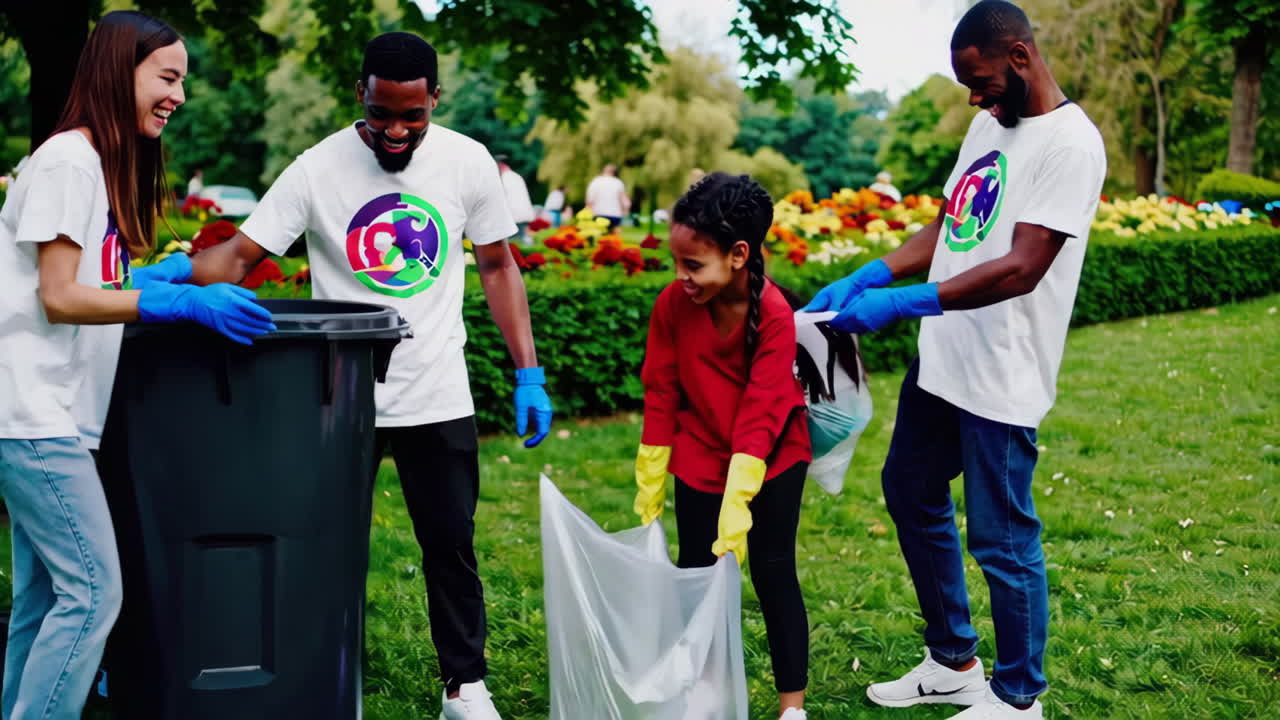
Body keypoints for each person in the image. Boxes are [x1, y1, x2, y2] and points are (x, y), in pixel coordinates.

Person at [190, 31, 553, 720]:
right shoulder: (317, 168)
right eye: (381, 112)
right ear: (361, 93)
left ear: (434, 101)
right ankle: (315, 677)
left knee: (450, 545)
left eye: (411, 116)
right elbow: (242, 253)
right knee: (317, 547)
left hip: (438, 390)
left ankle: (465, 687)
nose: (394, 130)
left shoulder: (467, 162)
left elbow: (500, 265)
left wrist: (527, 373)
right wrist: (169, 282)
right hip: (339, 399)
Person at [805, 2, 1105, 717]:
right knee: (909, 490)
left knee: (1002, 537)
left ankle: (1018, 695)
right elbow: (951, 222)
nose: (974, 98)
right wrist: (875, 271)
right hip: (943, 360)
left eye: (983, 81)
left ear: (1021, 57)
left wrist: (903, 304)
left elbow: (1022, 266)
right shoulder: (986, 125)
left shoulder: (1071, 144)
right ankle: (953, 661)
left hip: (1002, 373)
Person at [0, 11, 273, 720]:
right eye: (168, 76)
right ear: (119, 70)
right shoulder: (68, 160)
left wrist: (167, 277)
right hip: (32, 412)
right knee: (93, 592)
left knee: (45, 599)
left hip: (50, 412)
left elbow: (88, 279)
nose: (179, 95)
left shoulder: (91, 164)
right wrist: (176, 308)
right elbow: (59, 297)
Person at [633, 172, 812, 720]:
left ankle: (792, 708)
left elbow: (760, 414)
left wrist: (739, 500)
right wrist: (652, 477)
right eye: (677, 263)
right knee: (696, 573)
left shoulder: (775, 315)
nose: (681, 277)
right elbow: (661, 391)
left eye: (693, 265)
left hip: (773, 454)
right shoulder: (673, 304)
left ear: (738, 254)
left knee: (772, 569)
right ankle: (706, 688)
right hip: (699, 451)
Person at [496, 155, 534, 245]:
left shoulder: (504, 178)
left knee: (514, 247)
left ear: (500, 164)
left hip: (514, 218)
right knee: (521, 243)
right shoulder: (516, 176)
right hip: (523, 216)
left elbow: (501, 201)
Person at [585, 163, 629, 230]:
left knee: (599, 235)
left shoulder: (596, 181)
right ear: (614, 172)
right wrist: (625, 211)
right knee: (613, 237)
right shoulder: (618, 182)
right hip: (615, 214)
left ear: (603, 170)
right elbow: (625, 202)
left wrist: (587, 212)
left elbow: (590, 200)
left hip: (598, 213)